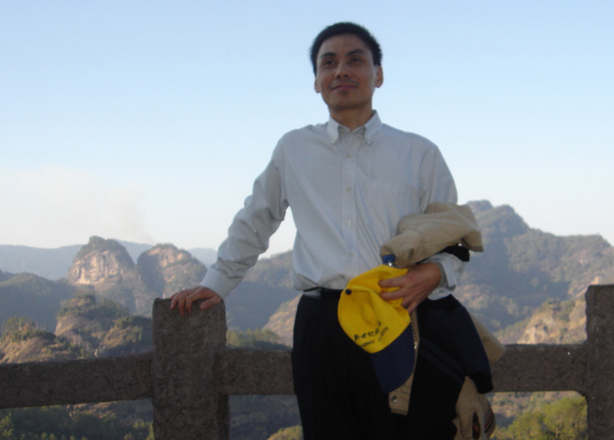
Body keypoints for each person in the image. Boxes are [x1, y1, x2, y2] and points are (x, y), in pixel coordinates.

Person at [170, 22, 467, 439]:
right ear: (316, 81)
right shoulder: (294, 149)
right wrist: (217, 282)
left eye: (355, 60)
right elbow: (256, 218)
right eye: (328, 63)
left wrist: (435, 272)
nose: (341, 70)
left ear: (378, 74)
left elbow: (454, 232)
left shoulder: (419, 153)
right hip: (321, 325)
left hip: (398, 313)